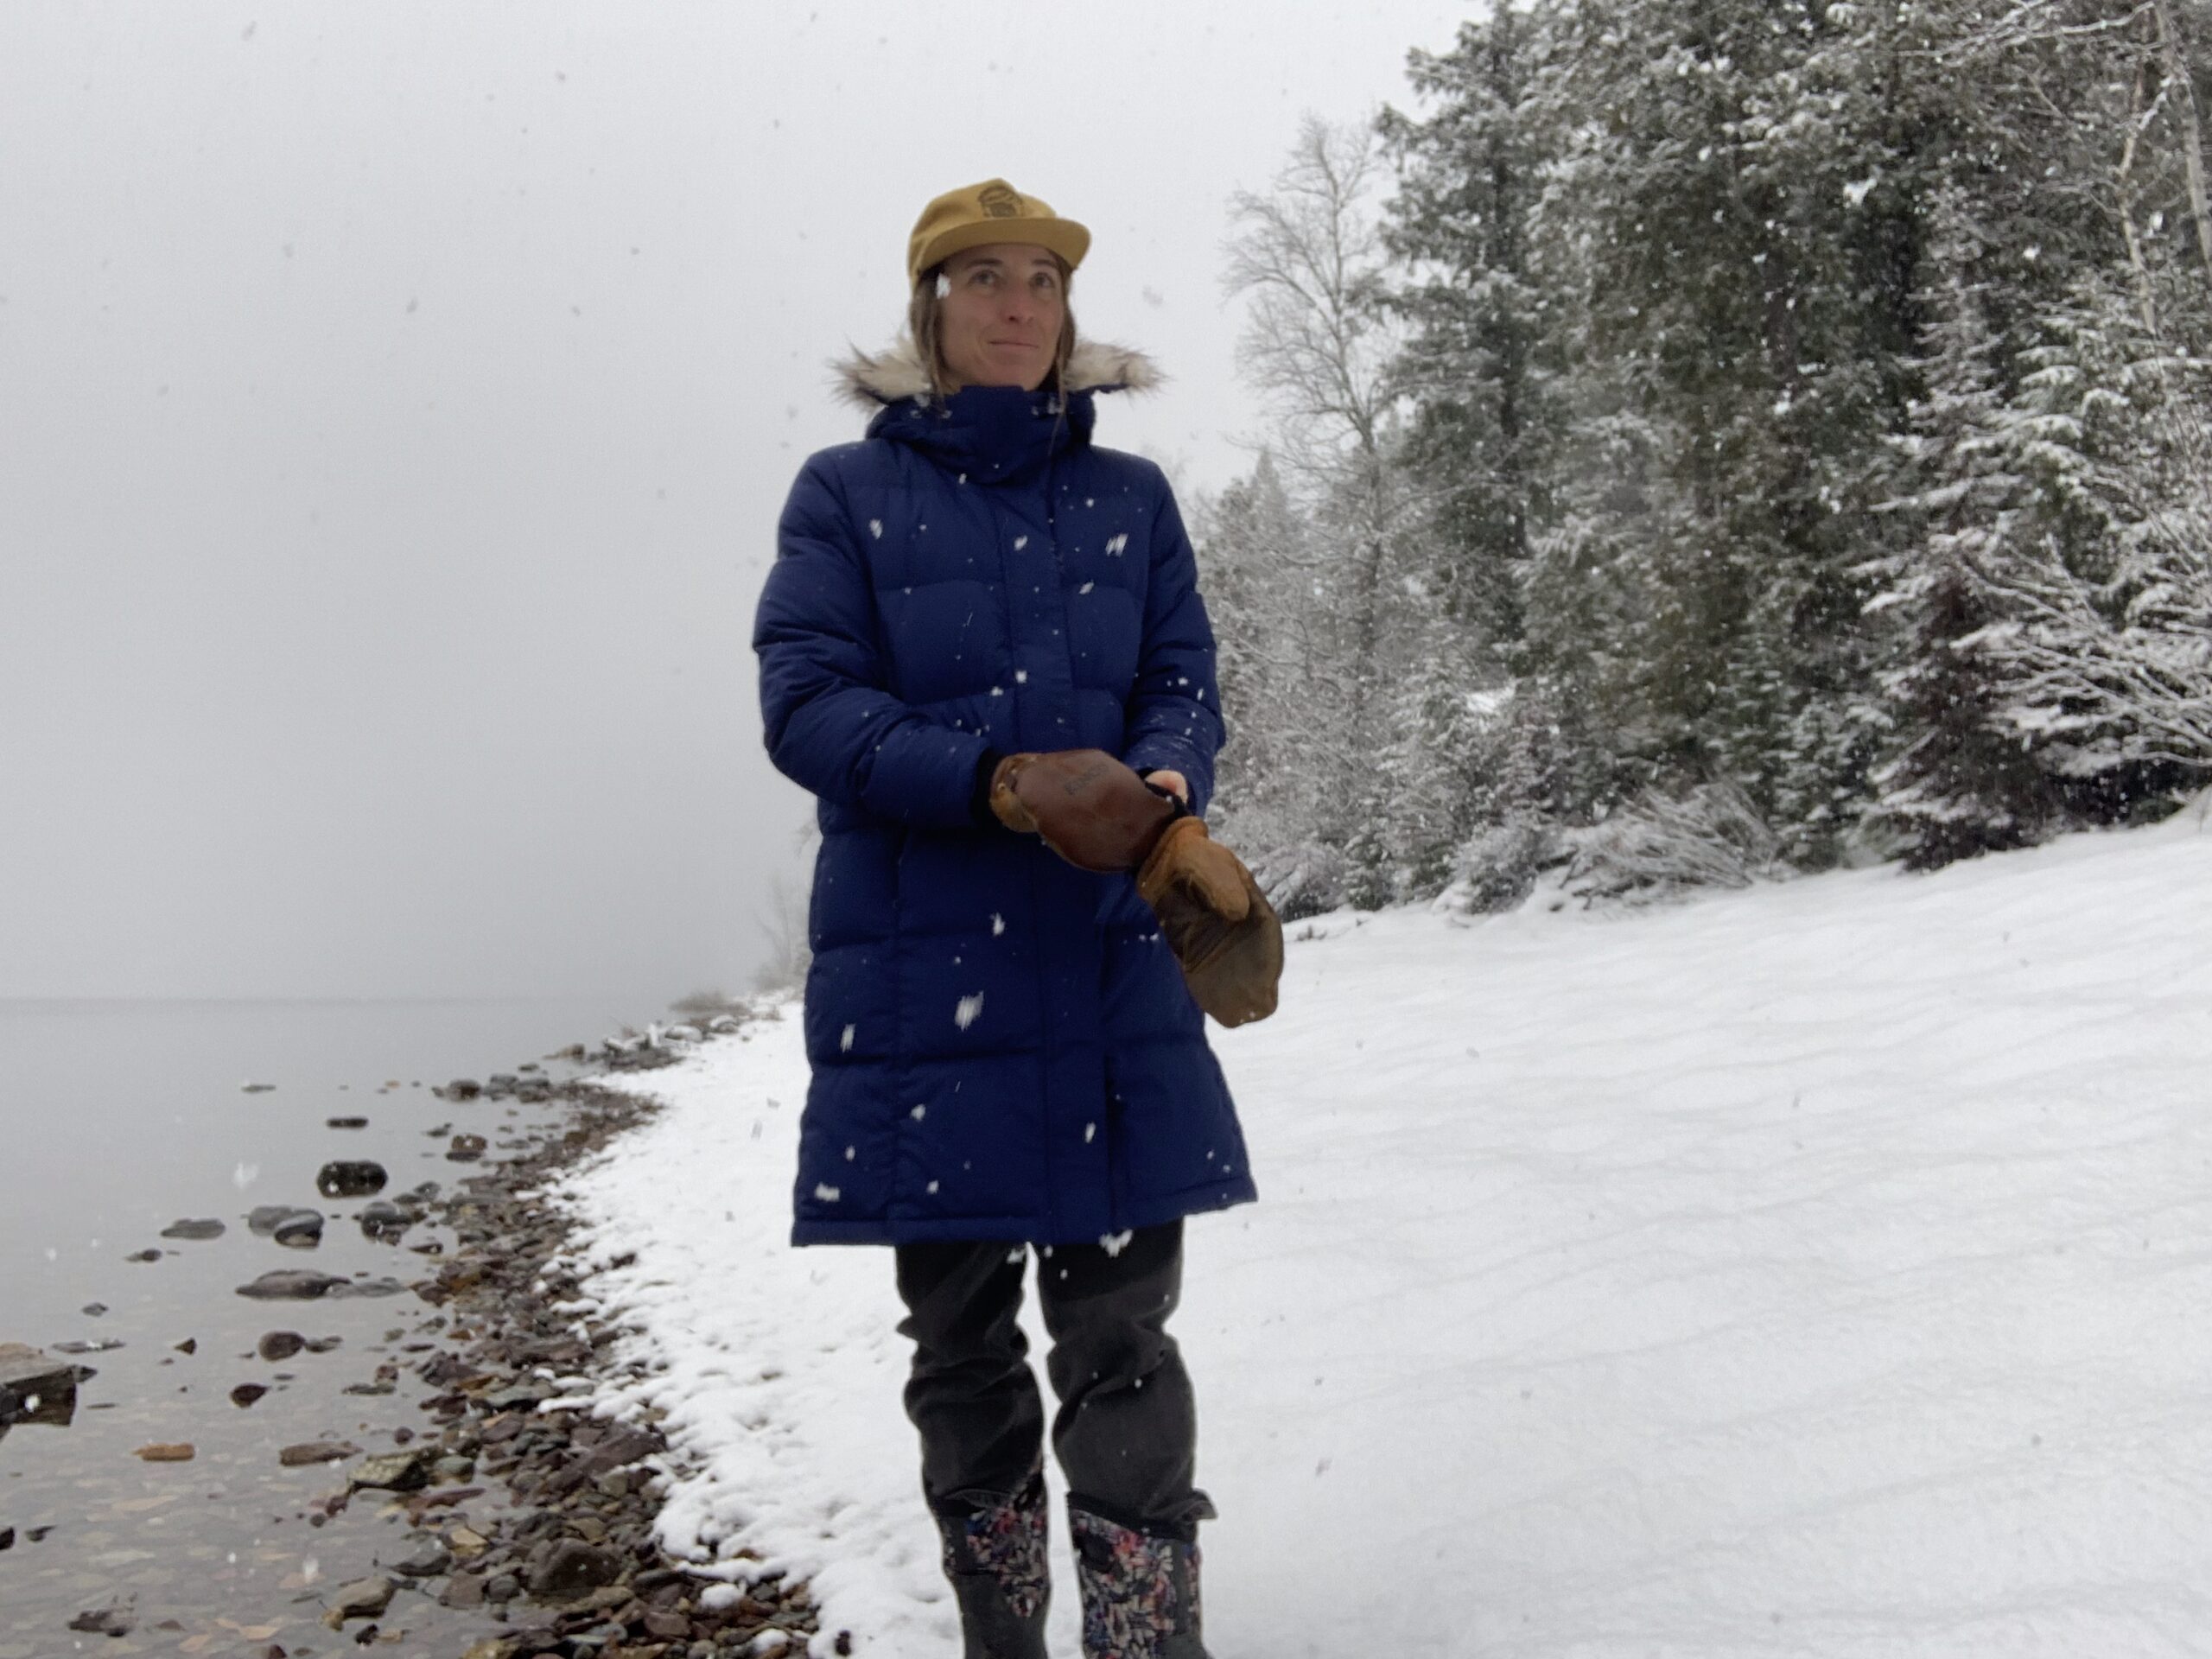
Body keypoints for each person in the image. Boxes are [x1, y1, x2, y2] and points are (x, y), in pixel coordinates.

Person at [752, 179, 1277, 1659]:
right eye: (982, 278)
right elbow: (808, 708)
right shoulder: (842, 496)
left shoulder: (1133, 500)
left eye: (1042, 279)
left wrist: (1168, 776)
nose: (1017, 304)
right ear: (929, 312)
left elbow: (1183, 673)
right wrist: (999, 782)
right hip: (927, 991)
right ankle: (1005, 1636)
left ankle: (1147, 1641)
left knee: (1123, 1340)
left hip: (1114, 968)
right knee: (963, 1346)